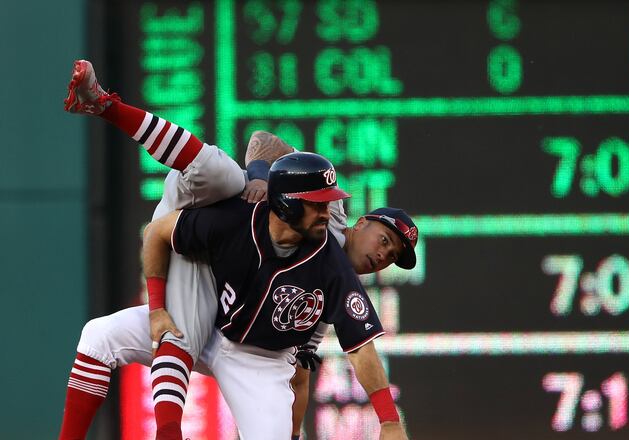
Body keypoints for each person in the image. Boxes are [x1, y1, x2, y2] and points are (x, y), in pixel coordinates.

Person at [59, 60, 415, 440]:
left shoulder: (332, 272)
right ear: (361, 224)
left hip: (256, 359)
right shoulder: (249, 216)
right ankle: (105, 105)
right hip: (203, 283)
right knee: (221, 175)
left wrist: (375, 421)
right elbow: (262, 142)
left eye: (392, 254)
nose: (384, 255)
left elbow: (330, 363)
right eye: (384, 240)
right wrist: (261, 177)